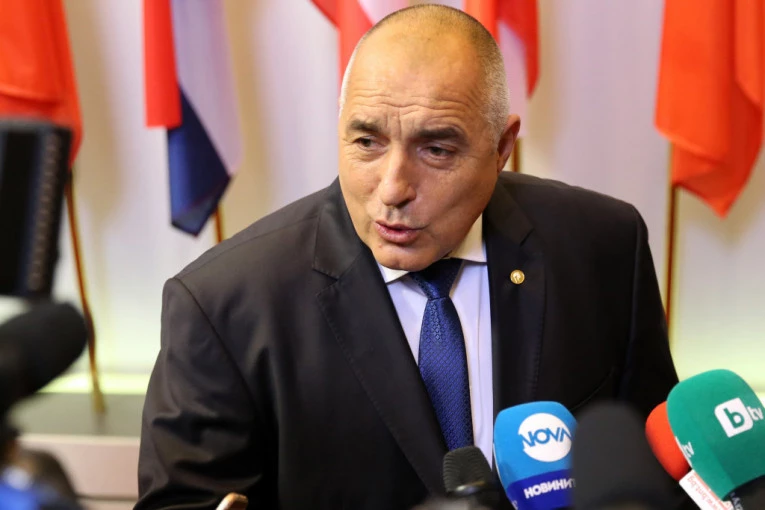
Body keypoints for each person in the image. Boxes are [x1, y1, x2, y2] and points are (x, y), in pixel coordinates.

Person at [136, 5, 679, 510]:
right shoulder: (224, 306)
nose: (393, 188)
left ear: (501, 147)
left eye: (436, 149)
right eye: (367, 143)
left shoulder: (603, 247)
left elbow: (659, 470)